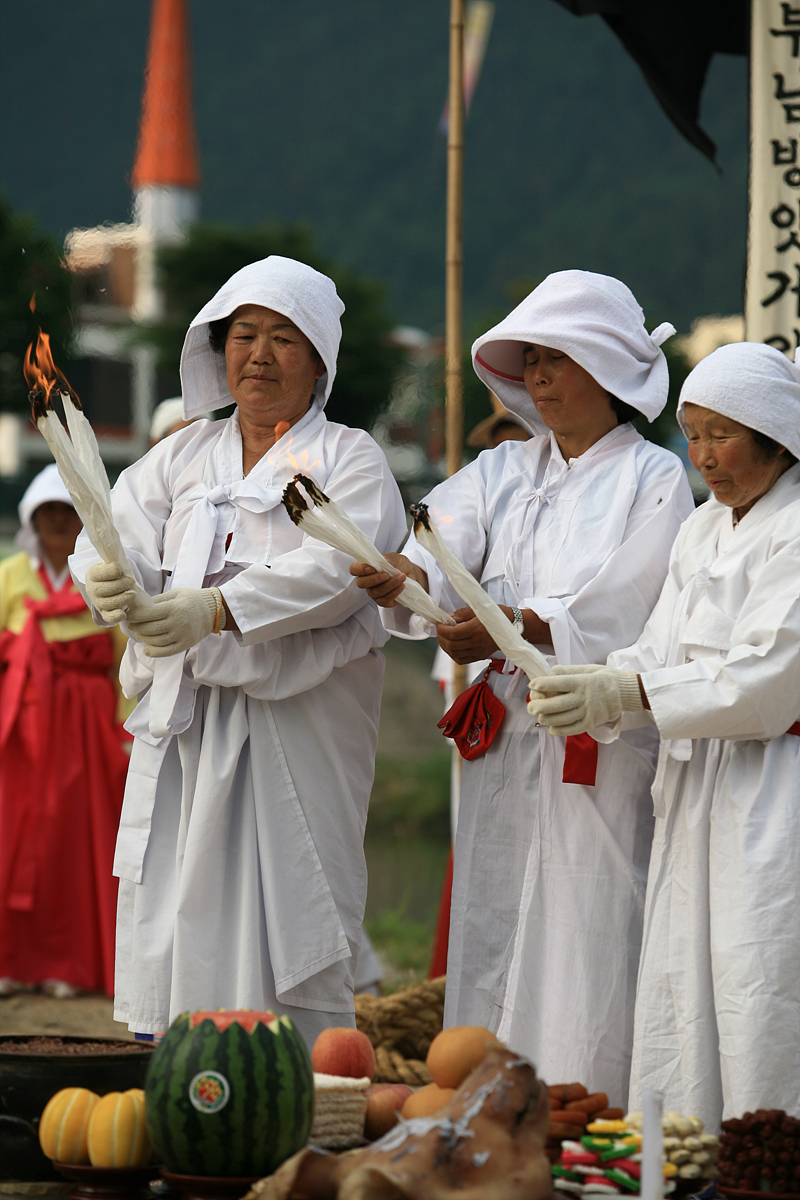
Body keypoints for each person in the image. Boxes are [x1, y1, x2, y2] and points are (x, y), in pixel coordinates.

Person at [351, 270, 694, 1105]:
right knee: (493, 907)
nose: (537, 376)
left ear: (607, 366)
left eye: (556, 358)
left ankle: (585, 1106)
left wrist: (526, 623)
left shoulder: (655, 477)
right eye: (529, 359)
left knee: (591, 915)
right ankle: (482, 1103)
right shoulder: (503, 468)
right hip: (507, 726)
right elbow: (442, 534)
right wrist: (409, 573)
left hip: (596, 729)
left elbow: (630, 597)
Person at [70, 256, 406, 1047]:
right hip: (186, 724)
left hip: (296, 727)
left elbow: (341, 570)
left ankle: (291, 1094)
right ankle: (184, 1085)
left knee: (291, 901)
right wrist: (113, 583)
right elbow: (108, 530)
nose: (259, 354)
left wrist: (217, 607)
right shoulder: (184, 455)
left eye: (283, 338)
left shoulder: (350, 458)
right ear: (217, 350)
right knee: (180, 898)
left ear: (318, 358)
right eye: (244, 334)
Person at [529, 341, 800, 1128]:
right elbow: (658, 646)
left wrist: (633, 690)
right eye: (693, 431)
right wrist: (603, 686)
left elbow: (772, 676)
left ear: (776, 436)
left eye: (723, 433)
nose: (704, 454)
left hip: (771, 787)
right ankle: (684, 1152)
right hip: (695, 784)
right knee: (686, 970)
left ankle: (766, 1154)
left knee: (759, 969)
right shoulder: (701, 530)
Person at [0, 464, 130, 998]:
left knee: (77, 843)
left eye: (67, 511)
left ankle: (69, 964)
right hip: (19, 728)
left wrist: (127, 727)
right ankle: (11, 961)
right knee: (12, 837)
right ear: (32, 518)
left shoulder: (105, 573)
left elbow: (128, 656)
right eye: (47, 512)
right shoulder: (10, 575)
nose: (58, 521)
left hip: (86, 728)